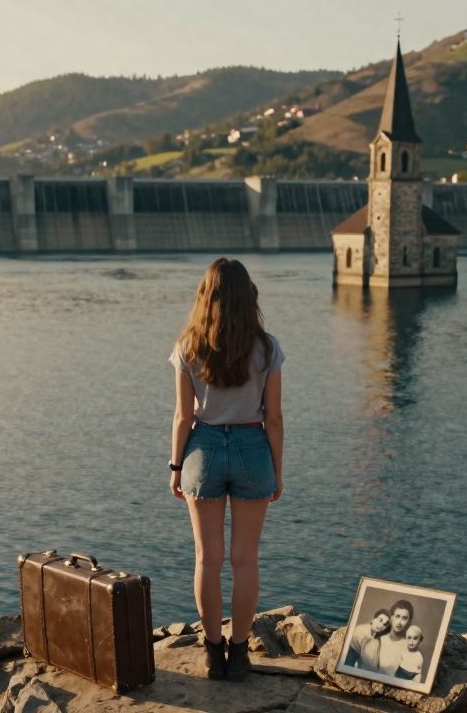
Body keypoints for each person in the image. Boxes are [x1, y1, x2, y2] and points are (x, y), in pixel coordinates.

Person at [168, 258, 285, 683]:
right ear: (248, 297)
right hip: (254, 447)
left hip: (204, 449)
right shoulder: (267, 348)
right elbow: (274, 418)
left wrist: (176, 466)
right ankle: (239, 653)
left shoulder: (188, 347)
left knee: (207, 559)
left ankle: (211, 653)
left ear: (206, 297)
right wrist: (277, 468)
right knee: (245, 560)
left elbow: (183, 417)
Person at [374, 600, 414, 676]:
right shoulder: (378, 640)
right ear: (391, 617)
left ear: (409, 621)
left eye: (404, 618)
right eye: (397, 616)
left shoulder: (409, 646)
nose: (399, 622)